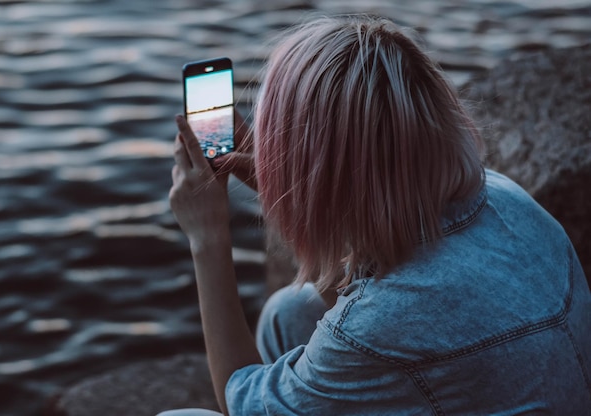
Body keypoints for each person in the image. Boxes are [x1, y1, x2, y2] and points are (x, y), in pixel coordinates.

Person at [162, 16, 591, 416]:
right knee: (290, 312)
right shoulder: (500, 194)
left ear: (324, 170)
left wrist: (208, 237)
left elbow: (240, 398)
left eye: (289, 151)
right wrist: (290, 189)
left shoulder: (383, 323)